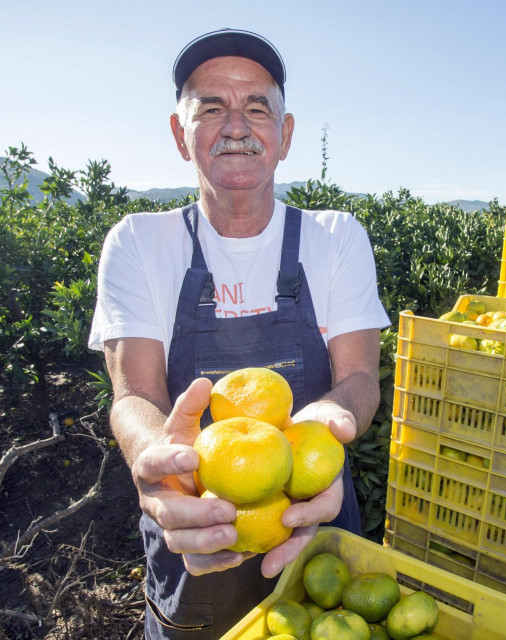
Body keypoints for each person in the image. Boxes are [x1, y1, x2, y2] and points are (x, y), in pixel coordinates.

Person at [89, 28, 390, 639]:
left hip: (314, 511)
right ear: (181, 135)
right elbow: (135, 398)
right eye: (211, 107)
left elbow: (359, 376)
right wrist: (158, 460)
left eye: (258, 106)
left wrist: (326, 425)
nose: (237, 125)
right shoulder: (138, 243)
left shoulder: (334, 238)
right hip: (193, 527)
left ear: (285, 135)